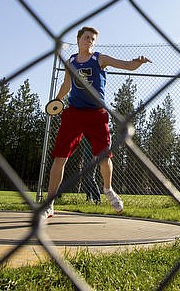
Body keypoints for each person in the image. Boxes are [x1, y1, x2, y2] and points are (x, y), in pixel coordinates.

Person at [43, 26, 151, 219]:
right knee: (60, 157)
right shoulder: (70, 62)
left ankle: (108, 190)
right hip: (74, 113)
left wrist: (137, 63)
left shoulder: (100, 59)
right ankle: (49, 203)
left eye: (93, 39)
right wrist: (57, 100)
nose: (90, 41)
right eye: (87, 38)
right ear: (78, 40)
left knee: (104, 156)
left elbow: (126, 65)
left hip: (96, 114)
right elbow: (66, 85)